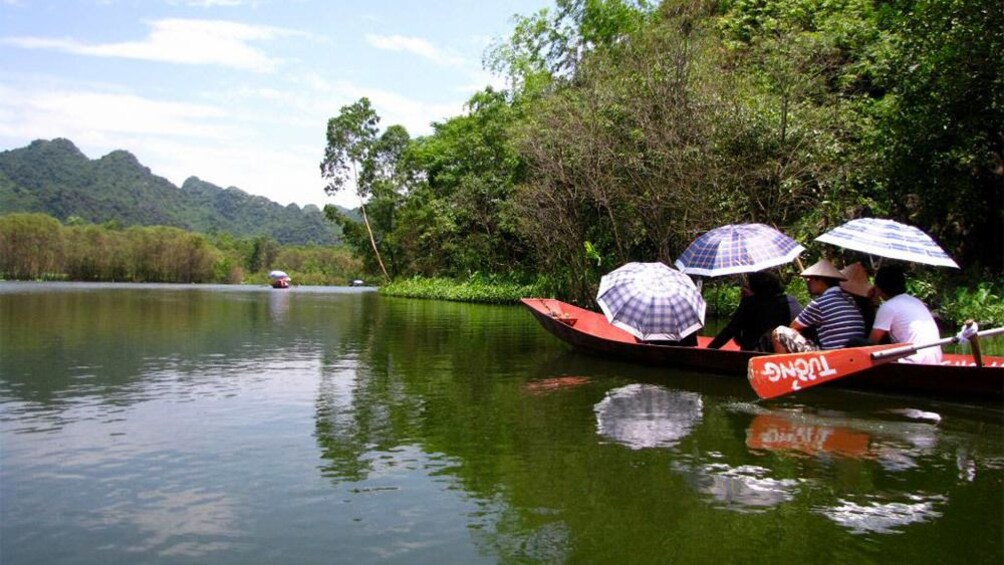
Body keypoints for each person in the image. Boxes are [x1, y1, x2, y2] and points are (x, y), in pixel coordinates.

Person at [772, 259, 866, 353]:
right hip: (854, 351)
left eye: (811, 279)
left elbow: (793, 328)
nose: (808, 282)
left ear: (820, 279)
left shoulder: (819, 303)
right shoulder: (850, 300)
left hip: (831, 355)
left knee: (780, 332)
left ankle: (783, 366)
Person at [708, 271, 800, 351]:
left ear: (756, 287)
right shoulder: (791, 300)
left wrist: (710, 349)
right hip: (787, 351)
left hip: (756, 352)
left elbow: (730, 330)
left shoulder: (751, 303)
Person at [868, 265, 943, 364]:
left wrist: (872, 302)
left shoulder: (888, 307)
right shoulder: (915, 301)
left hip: (914, 362)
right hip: (935, 360)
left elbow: (872, 342)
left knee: (856, 342)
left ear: (878, 287)